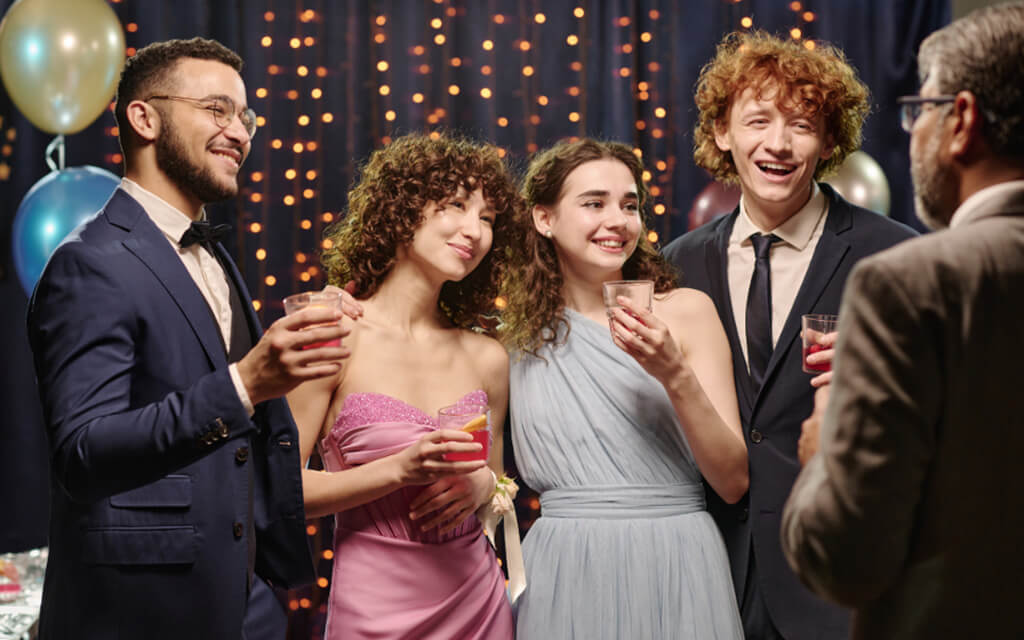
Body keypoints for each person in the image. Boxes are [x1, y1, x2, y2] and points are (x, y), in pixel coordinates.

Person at [25, 38, 352, 639]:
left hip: (243, 600)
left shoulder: (213, 256)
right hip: (139, 609)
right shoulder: (89, 262)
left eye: (246, 117)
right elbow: (83, 452)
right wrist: (245, 382)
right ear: (144, 118)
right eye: (216, 109)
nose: (240, 132)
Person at [660, 31, 918, 639]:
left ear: (829, 141)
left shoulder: (896, 259)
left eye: (802, 125)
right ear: (723, 132)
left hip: (838, 574)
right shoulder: (679, 264)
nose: (777, 144)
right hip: (710, 574)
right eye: (757, 121)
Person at [781, 3, 1024, 637]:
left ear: (962, 120)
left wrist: (823, 451)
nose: (913, 134)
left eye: (920, 112)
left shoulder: (909, 282)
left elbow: (844, 560)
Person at [501, 138, 746, 639]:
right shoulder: (511, 336)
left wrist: (673, 373)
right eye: (594, 203)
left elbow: (733, 479)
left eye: (630, 205)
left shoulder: (687, 311)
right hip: (564, 565)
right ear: (544, 219)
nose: (618, 220)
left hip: (678, 555)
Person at [286, 132, 518, 639]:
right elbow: (281, 488)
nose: (474, 230)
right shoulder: (331, 332)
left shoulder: (488, 356)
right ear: (402, 210)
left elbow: (497, 487)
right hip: (373, 609)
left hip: (479, 603)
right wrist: (399, 469)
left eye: (488, 218)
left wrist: (484, 484)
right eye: (455, 205)